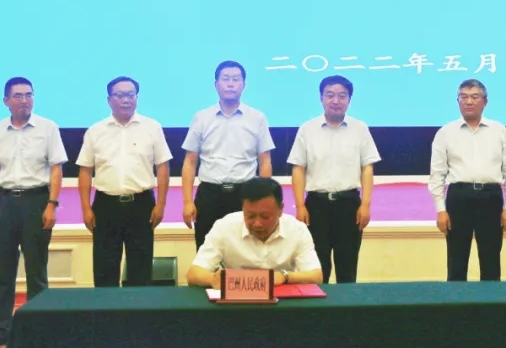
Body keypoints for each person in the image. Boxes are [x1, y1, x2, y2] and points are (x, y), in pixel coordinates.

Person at [0, 78, 67, 348]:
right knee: (3, 273)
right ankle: (1, 330)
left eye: (29, 95)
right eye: (18, 96)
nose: (24, 100)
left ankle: (38, 331)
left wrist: (52, 204)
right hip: (3, 203)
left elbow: (56, 169)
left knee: (36, 271)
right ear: (6, 101)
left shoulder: (48, 128)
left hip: (36, 202)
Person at [76, 76, 172, 287]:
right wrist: (85, 208)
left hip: (142, 205)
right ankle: (106, 308)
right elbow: (85, 171)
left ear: (137, 97)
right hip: (105, 205)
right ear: (109, 100)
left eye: (131, 95)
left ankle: (138, 308)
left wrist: (161, 205)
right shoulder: (95, 131)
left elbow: (163, 167)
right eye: (120, 95)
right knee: (105, 268)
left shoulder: (152, 127)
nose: (126, 100)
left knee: (140, 268)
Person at [288, 75, 381, 283]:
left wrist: (365, 204)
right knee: (317, 266)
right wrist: (300, 206)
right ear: (321, 98)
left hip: (349, 205)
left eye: (342, 96)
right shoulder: (307, 129)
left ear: (349, 99)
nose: (335, 100)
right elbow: (298, 168)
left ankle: (346, 304)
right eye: (330, 95)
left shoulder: (360, 128)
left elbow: (367, 168)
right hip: (316, 205)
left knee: (347, 265)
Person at [429, 79, 506, 282]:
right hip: (458, 197)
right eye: (463, 97)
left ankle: (491, 302)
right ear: (458, 101)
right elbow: (437, 175)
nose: (468, 101)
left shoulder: (499, 130)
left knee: (491, 260)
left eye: (474, 97)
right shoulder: (445, 132)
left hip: (491, 197)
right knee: (456, 260)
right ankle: (457, 301)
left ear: (485, 102)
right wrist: (440, 210)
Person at [182, 60, 274, 249]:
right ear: (216, 84)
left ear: (243, 85)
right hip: (209, 195)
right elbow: (190, 162)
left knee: (247, 251)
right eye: (225, 79)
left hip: (245, 194)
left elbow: (264, 161)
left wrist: (264, 198)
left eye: (235, 79)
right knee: (207, 252)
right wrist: (188, 202)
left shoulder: (257, 118)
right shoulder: (201, 118)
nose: (230, 84)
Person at [186, 178, 323, 287]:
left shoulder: (297, 230)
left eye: (265, 217)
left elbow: (316, 276)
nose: (257, 224)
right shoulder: (224, 226)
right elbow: (193, 274)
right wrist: (212, 279)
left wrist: (284, 276)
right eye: (250, 216)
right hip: (236, 303)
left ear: (281, 209)